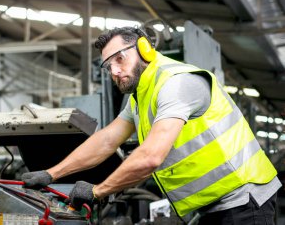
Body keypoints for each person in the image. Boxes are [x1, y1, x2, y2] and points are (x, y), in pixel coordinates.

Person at [22, 26, 281, 224]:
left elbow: (150, 157)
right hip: (216, 205)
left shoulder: (175, 83)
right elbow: (107, 140)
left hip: (245, 200)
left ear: (145, 49)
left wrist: (97, 191)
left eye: (119, 59)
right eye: (108, 65)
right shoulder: (139, 97)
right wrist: (51, 174)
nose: (113, 71)